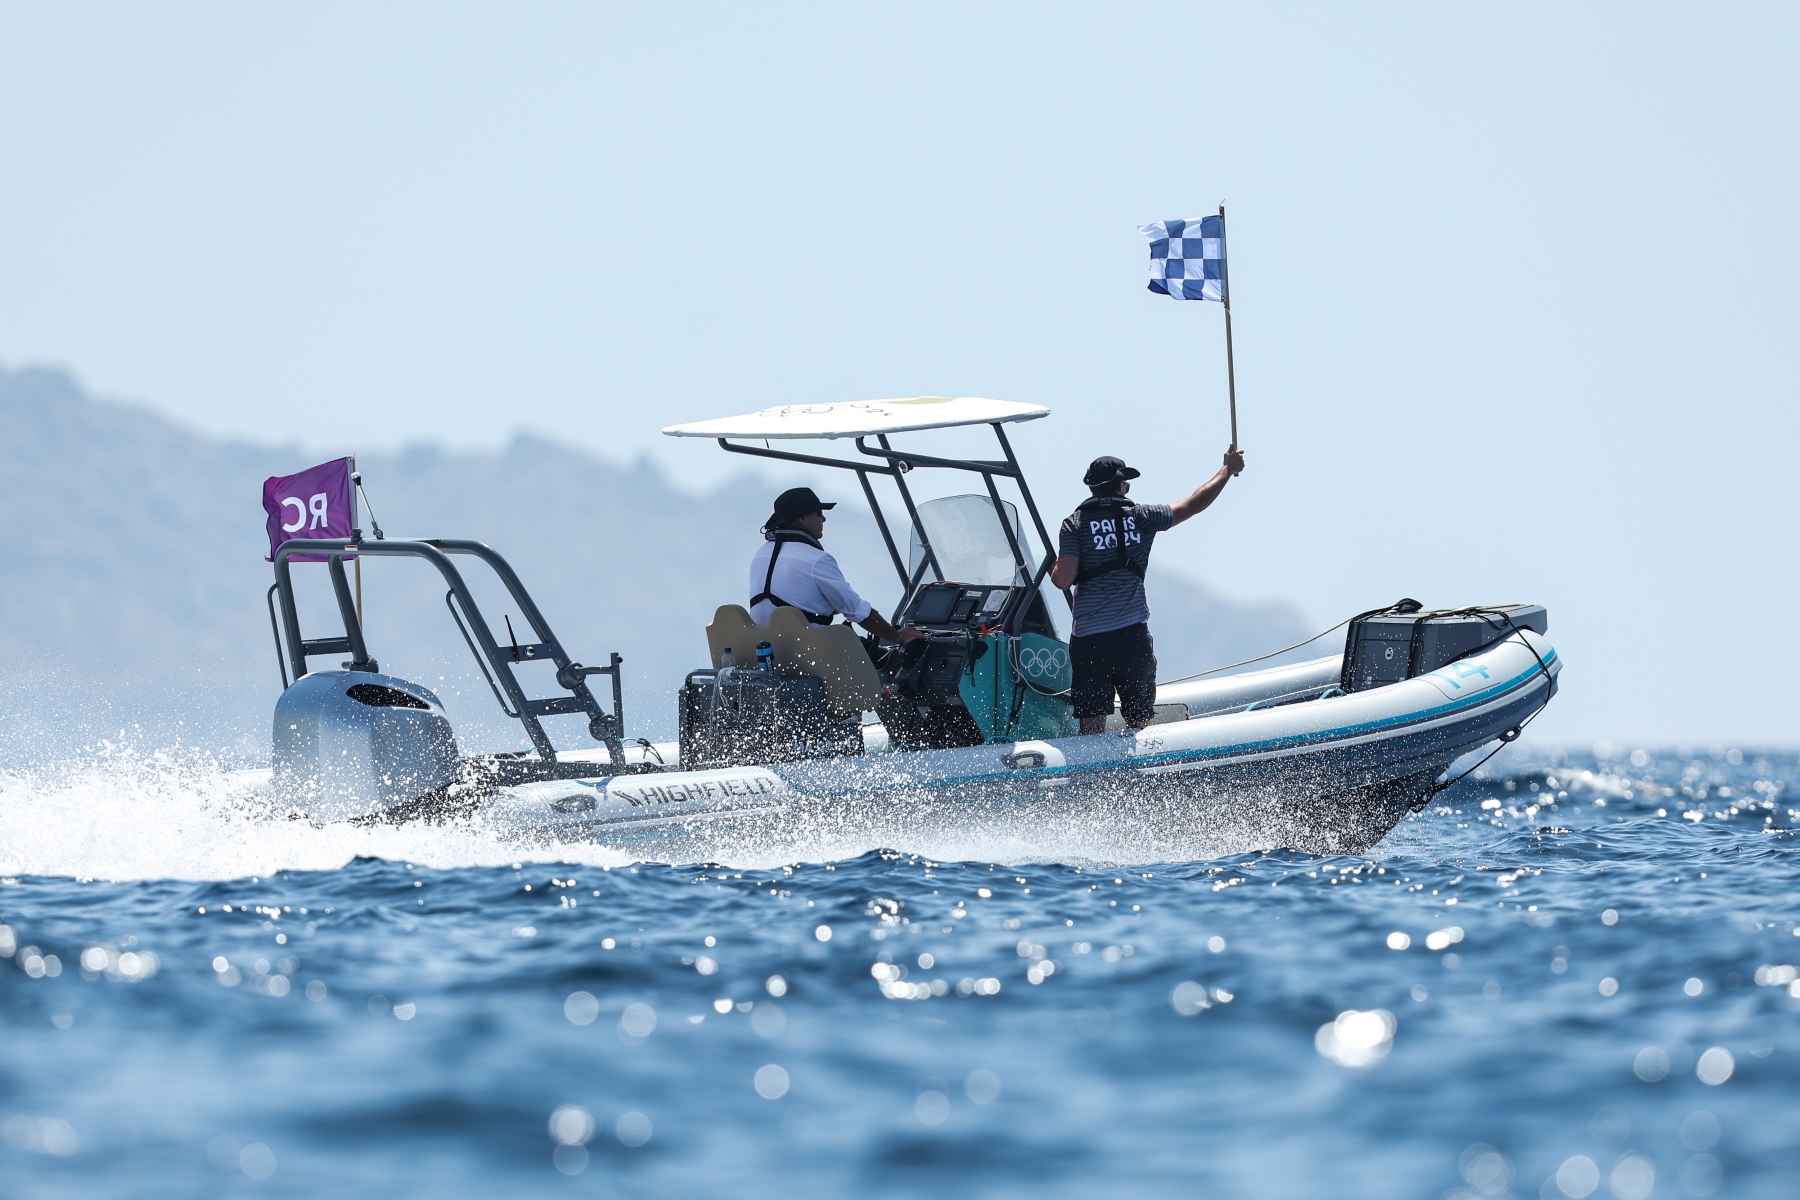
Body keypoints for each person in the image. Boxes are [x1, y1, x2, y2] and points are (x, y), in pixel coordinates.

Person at [1050, 449, 1245, 735]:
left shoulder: (1074, 524)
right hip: (1131, 636)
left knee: (1091, 724)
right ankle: (1141, 774)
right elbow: (1194, 504)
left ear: (1092, 488)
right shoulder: (1143, 517)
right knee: (1139, 720)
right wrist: (1226, 470)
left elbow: (1063, 579)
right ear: (1120, 486)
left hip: (1090, 640)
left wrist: (1051, 568)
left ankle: (1090, 776)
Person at [749, 486, 925, 645]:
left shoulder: (761, 554)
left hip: (769, 650)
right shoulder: (816, 559)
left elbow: (790, 600)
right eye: (819, 513)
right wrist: (899, 637)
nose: (823, 519)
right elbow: (857, 611)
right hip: (807, 651)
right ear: (802, 518)